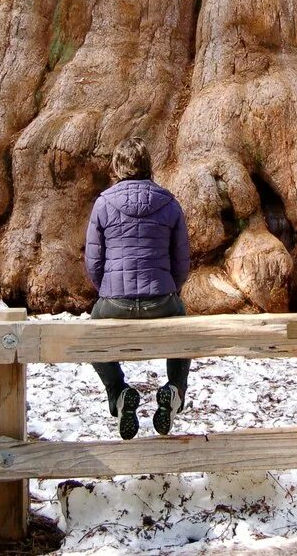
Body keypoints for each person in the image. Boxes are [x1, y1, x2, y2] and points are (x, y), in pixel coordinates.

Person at [85, 137, 191, 440]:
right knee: (183, 330)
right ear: (148, 166)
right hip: (162, 299)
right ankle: (174, 390)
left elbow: (94, 261)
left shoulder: (103, 203)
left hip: (114, 302)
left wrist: (107, 291)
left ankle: (119, 392)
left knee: (91, 338)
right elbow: (181, 260)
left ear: (117, 167)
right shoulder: (169, 203)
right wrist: (171, 289)